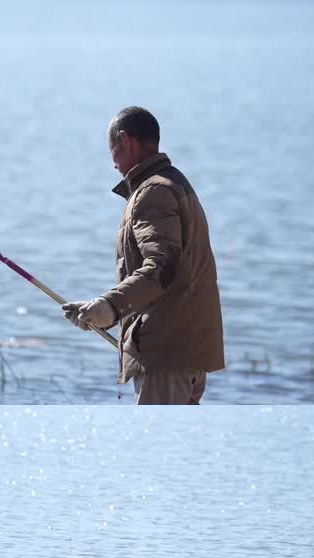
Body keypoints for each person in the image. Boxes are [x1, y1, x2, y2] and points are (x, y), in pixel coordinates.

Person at [61, 106, 224, 404]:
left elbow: (162, 266)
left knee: (155, 448)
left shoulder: (153, 192)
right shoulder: (175, 182)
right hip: (186, 351)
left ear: (125, 140)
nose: (112, 163)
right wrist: (98, 309)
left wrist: (109, 307)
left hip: (166, 356)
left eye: (112, 150)